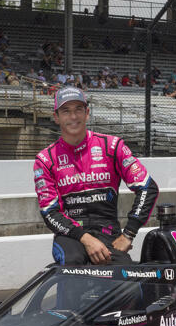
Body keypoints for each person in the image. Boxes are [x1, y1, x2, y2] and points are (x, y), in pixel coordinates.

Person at [33, 86, 159, 265]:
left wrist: (129, 233)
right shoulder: (45, 159)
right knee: (73, 264)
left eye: (78, 109)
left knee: (130, 286)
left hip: (109, 235)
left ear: (87, 113)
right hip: (70, 236)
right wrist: (86, 239)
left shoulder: (112, 147)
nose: (73, 116)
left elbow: (148, 187)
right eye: (66, 111)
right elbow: (50, 212)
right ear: (56, 117)